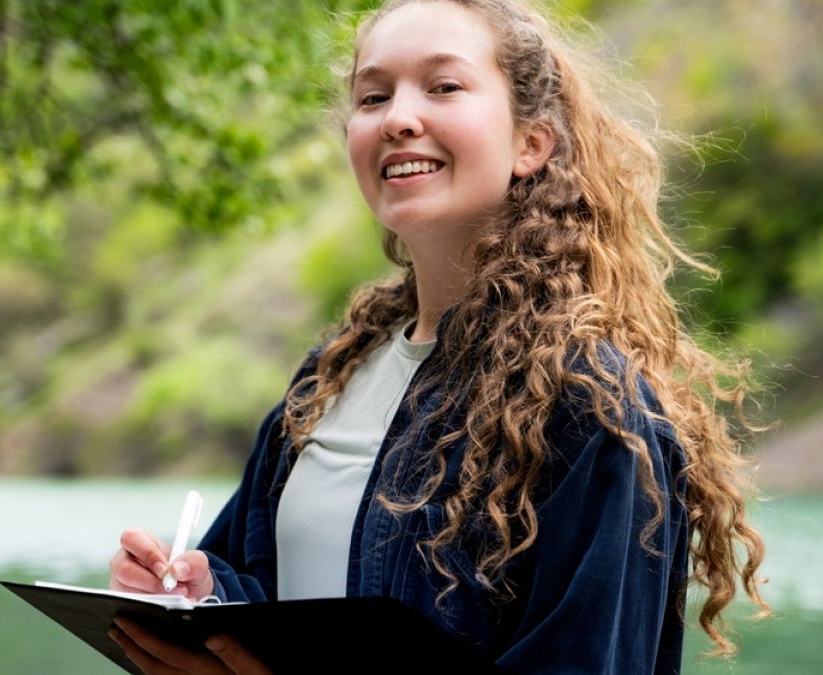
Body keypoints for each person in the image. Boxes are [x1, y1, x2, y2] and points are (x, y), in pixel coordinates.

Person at [106, 0, 769, 672]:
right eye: (373, 95)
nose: (397, 118)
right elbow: (260, 587)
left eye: (443, 86)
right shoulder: (330, 378)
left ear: (530, 143)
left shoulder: (591, 410)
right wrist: (199, 594)